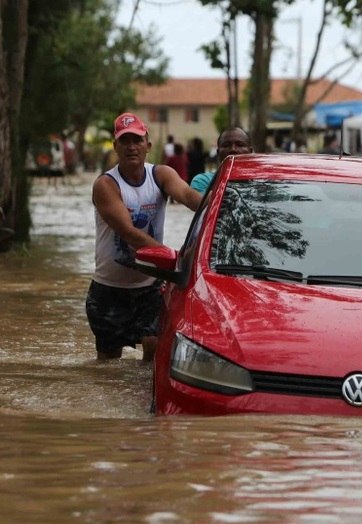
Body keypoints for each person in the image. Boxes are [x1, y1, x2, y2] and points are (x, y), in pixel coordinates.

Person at [86, 113, 202, 361]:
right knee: (108, 367)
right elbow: (128, 233)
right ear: (115, 147)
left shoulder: (161, 175)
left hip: (150, 287)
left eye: (137, 140)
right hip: (109, 289)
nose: (131, 147)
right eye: (124, 141)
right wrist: (175, 259)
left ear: (148, 146)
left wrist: (219, 206)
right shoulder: (105, 185)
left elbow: (189, 197)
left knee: (154, 351)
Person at [190, 127, 253, 194]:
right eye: (226, 145)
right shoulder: (204, 182)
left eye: (240, 145)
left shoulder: (262, 180)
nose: (233, 149)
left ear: (250, 152)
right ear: (218, 152)